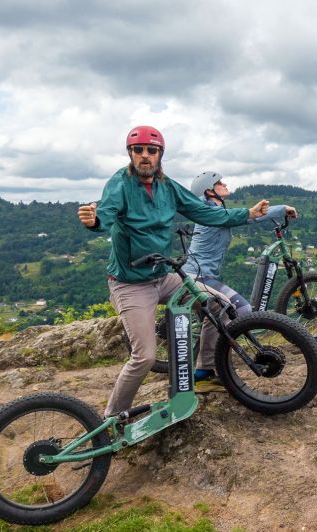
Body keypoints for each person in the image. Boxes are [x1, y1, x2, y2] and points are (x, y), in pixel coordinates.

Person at [77, 126, 272, 417]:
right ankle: (112, 420)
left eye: (151, 151)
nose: (145, 156)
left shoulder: (167, 186)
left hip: (162, 276)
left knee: (219, 305)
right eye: (138, 150)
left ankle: (205, 370)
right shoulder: (119, 184)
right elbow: (106, 213)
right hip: (130, 284)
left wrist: (247, 214)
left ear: (159, 155)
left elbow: (204, 211)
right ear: (130, 153)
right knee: (144, 357)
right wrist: (93, 220)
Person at [182, 171, 298, 382]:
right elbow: (249, 218)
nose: (225, 184)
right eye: (219, 183)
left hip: (202, 276)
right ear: (209, 191)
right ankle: (219, 364)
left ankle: (206, 368)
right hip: (197, 277)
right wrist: (282, 209)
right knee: (241, 310)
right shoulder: (211, 213)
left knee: (217, 316)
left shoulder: (213, 210)